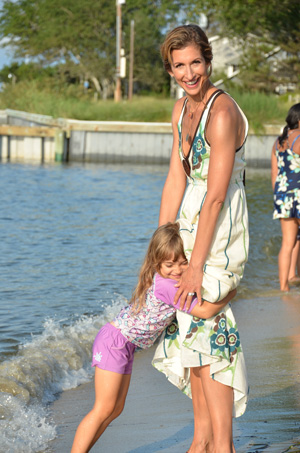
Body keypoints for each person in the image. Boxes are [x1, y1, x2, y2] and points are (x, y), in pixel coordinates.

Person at [152, 24, 249, 453]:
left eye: (195, 63)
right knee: (189, 322)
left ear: (207, 61)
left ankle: (222, 445)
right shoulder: (178, 111)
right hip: (190, 224)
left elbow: (215, 197)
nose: (188, 73)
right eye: (179, 66)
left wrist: (194, 266)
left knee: (209, 315)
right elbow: (176, 178)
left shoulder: (222, 113)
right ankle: (201, 440)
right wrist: (161, 246)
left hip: (222, 226)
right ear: (170, 69)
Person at [71, 222, 236, 453]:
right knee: (103, 408)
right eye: (169, 264)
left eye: (183, 262)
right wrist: (233, 290)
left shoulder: (164, 280)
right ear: (156, 263)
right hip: (114, 343)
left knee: (115, 409)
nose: (177, 270)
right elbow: (206, 311)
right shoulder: (167, 286)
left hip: (123, 345)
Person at [271, 103, 300, 291]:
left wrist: (277, 197)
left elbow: (274, 174)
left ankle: (283, 287)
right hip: (299, 193)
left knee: (287, 242)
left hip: (282, 195)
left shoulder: (278, 142)